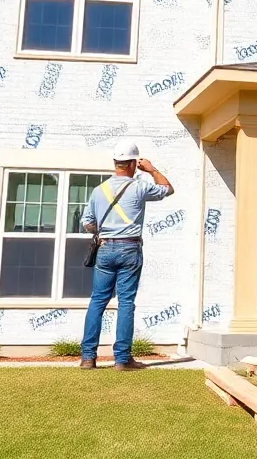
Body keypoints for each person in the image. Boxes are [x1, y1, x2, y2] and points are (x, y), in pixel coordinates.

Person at [79, 139, 174, 370]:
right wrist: (151, 169)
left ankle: (87, 358)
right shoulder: (140, 186)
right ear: (133, 164)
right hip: (129, 248)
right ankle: (122, 360)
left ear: (115, 163)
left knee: (97, 301)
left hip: (104, 248)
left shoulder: (98, 190)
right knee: (126, 303)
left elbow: (87, 223)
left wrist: (103, 230)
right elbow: (168, 189)